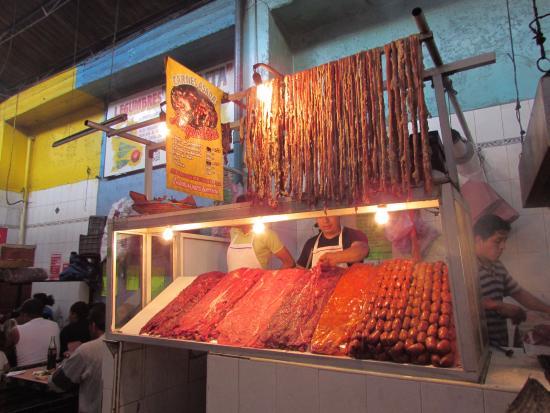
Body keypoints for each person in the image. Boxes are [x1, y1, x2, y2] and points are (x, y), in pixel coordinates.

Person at [474, 214, 550, 346]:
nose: (503, 246)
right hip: (477, 348)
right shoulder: (465, 267)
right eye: (498, 241)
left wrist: (548, 310)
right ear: (479, 240)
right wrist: (497, 305)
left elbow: (519, 293)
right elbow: (458, 303)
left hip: (499, 345)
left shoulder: (497, 266)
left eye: (505, 241)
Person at [49, 302, 106, 413]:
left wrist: (68, 359)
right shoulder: (123, 343)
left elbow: (57, 383)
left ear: (93, 326)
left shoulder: (87, 350)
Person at [226, 195, 295, 271]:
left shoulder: (267, 235)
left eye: (240, 210)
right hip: (232, 282)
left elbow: (289, 262)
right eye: (236, 210)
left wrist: (270, 279)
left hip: (256, 282)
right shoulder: (233, 232)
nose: (237, 214)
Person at [297, 216, 369, 269]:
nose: (325, 221)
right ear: (316, 219)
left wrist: (334, 258)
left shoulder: (353, 234)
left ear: (338, 215)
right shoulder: (310, 243)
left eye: (330, 215)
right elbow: (299, 272)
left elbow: (362, 250)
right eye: (320, 217)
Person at [8, 298, 60, 366]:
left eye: (20, 315)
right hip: (51, 371)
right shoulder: (55, 325)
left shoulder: (17, 330)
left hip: (25, 373)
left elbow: (7, 348)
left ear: (25, 314)